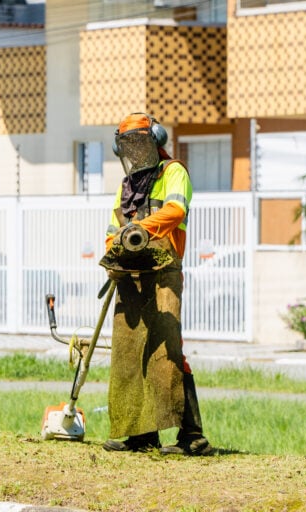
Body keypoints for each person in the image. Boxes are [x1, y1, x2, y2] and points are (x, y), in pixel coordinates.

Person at [98, 112, 212, 456]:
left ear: (156, 140)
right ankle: (140, 434)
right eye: (128, 144)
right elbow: (109, 234)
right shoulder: (126, 186)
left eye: (140, 142)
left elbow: (176, 210)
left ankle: (192, 436)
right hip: (131, 278)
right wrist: (113, 253)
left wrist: (142, 228)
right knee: (129, 353)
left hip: (164, 273)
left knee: (167, 351)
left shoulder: (173, 172)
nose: (134, 150)